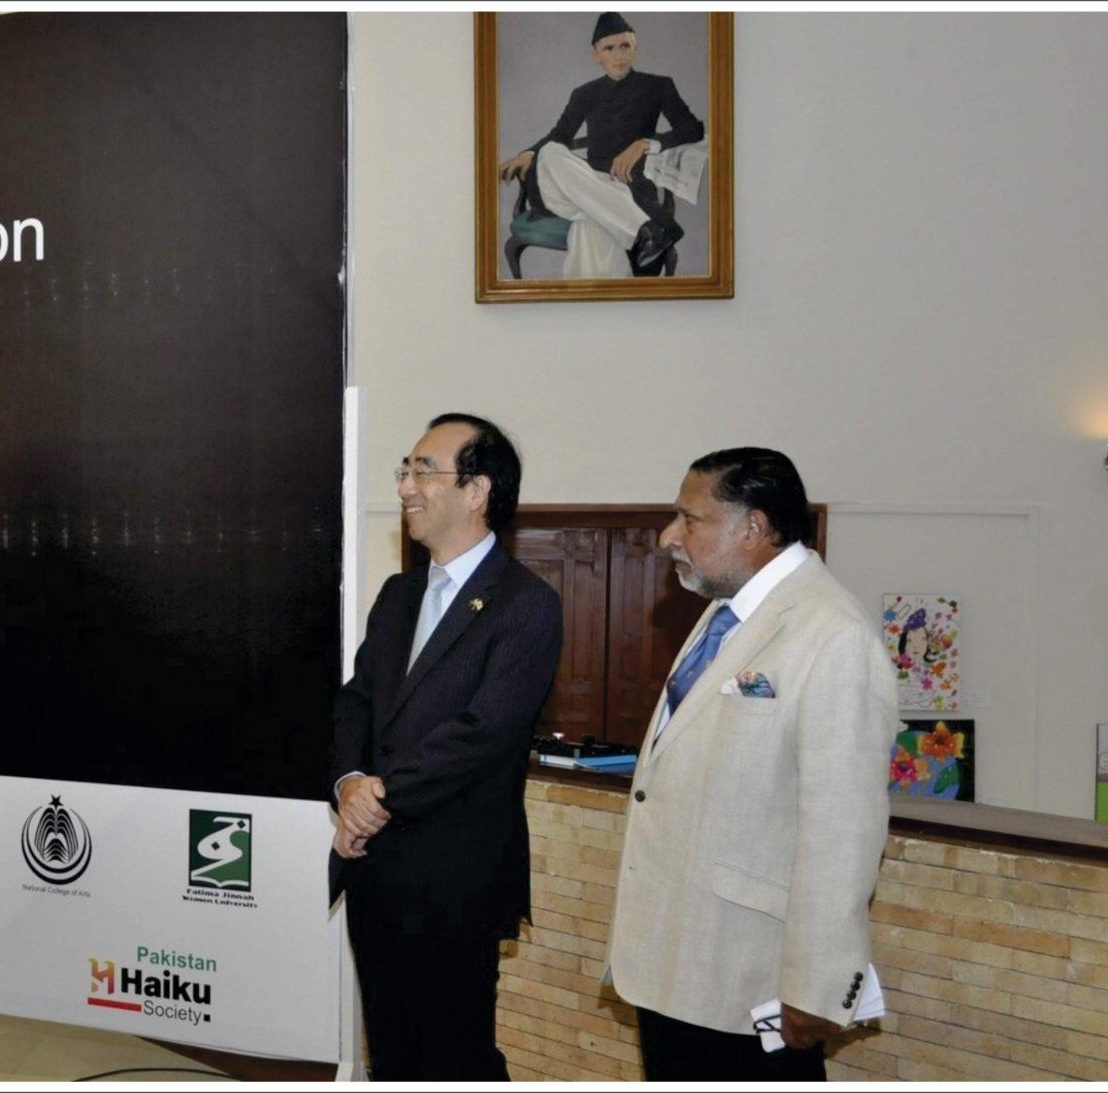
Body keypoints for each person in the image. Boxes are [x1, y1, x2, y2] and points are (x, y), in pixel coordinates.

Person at [606, 448, 891, 1081]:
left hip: (748, 980)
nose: (667, 538)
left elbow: (844, 829)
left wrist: (818, 986)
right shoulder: (724, 612)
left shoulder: (833, 633)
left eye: (690, 520)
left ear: (754, 527)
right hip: (676, 962)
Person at [329, 413, 563, 1081]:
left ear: (476, 489)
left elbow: (482, 732)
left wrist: (379, 796)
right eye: (405, 469)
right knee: (394, 1055)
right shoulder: (400, 594)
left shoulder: (526, 604)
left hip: (455, 878)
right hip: (376, 872)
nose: (405, 485)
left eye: (422, 469)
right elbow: (357, 702)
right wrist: (349, 781)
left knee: (456, 1058)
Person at [496, 11, 706, 278]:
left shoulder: (658, 86)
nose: (618, 55)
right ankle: (644, 231)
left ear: (635, 49)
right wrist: (528, 154)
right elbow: (559, 135)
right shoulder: (584, 93)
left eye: (625, 46)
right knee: (550, 152)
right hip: (586, 183)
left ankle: (598, 310)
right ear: (597, 56)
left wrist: (646, 143)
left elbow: (693, 128)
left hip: (629, 185)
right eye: (609, 48)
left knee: (592, 225)